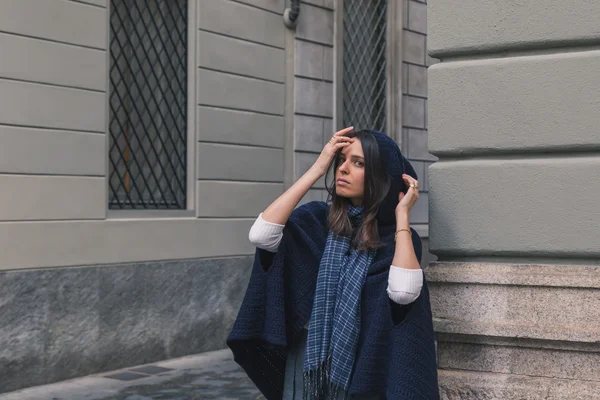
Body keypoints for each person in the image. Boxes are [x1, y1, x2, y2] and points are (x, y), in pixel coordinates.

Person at [227, 128, 439, 400]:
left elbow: (404, 293)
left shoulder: (397, 240)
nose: (344, 169)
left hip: (364, 367)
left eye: (358, 163)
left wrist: (401, 216)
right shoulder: (317, 220)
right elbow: (261, 234)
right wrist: (318, 167)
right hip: (308, 367)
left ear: (379, 175)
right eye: (341, 160)